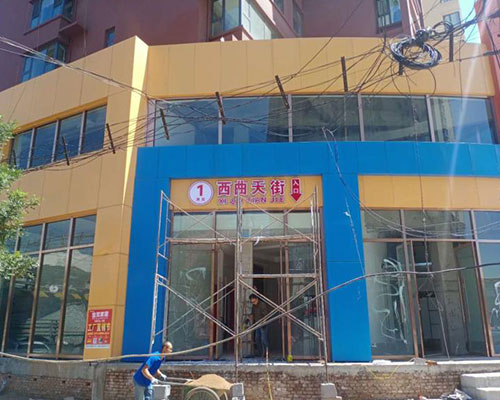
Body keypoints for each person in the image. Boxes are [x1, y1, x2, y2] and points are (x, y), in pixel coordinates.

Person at [249, 294, 270, 358]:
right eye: (252, 302)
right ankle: (260, 353)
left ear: (257, 299)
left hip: (263, 324)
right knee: (257, 338)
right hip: (257, 324)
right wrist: (249, 318)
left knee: (264, 339)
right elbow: (252, 314)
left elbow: (266, 315)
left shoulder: (262, 305)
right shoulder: (253, 306)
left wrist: (264, 322)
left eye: (254, 301)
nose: (253, 303)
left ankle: (266, 353)